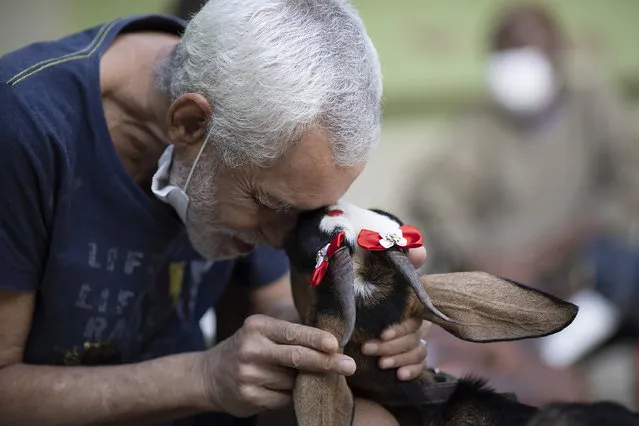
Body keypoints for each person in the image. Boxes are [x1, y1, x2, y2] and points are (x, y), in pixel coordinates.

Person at [0, 1, 431, 425]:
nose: (285, 237)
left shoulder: (250, 119)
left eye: (308, 210)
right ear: (189, 123)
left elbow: (273, 302)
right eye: (271, 204)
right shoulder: (24, 128)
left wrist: (348, 336)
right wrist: (202, 377)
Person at [405, 2, 639, 407]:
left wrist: (577, 236)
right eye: (506, 50)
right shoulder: (481, 127)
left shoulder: (593, 108)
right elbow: (438, 200)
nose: (517, 62)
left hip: (585, 266)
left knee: (622, 267)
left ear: (558, 52)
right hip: (508, 276)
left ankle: (552, 351)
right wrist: (484, 256)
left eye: (528, 48)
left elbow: (631, 176)